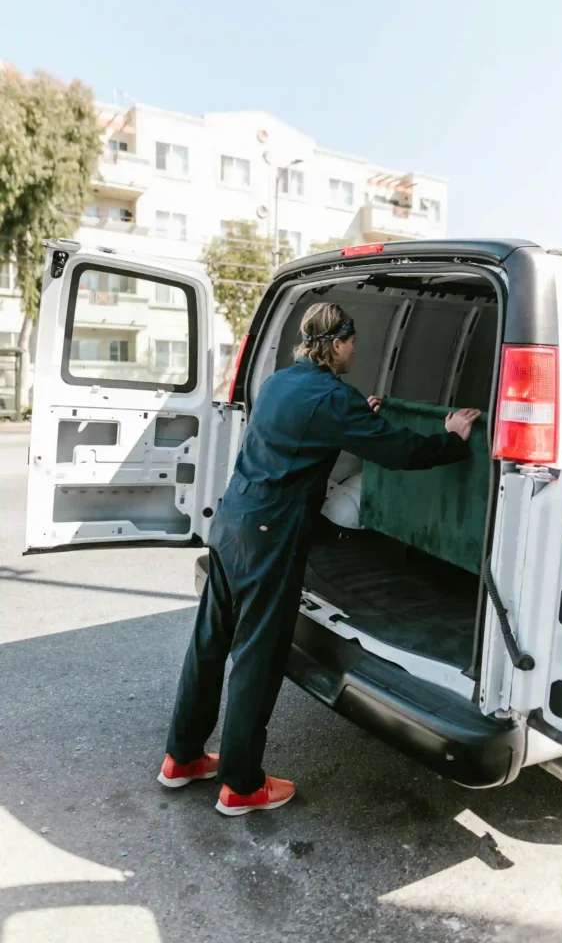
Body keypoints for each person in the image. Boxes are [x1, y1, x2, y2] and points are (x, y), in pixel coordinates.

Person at [158, 302, 481, 816]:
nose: (357, 350)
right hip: (270, 536)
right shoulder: (334, 396)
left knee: (209, 643)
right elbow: (400, 452)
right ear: (336, 344)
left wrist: (359, 415)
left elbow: (309, 428)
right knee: (258, 656)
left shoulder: (282, 382)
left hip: (231, 521)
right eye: (352, 342)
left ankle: (183, 757)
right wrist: (452, 438)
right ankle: (241, 785)